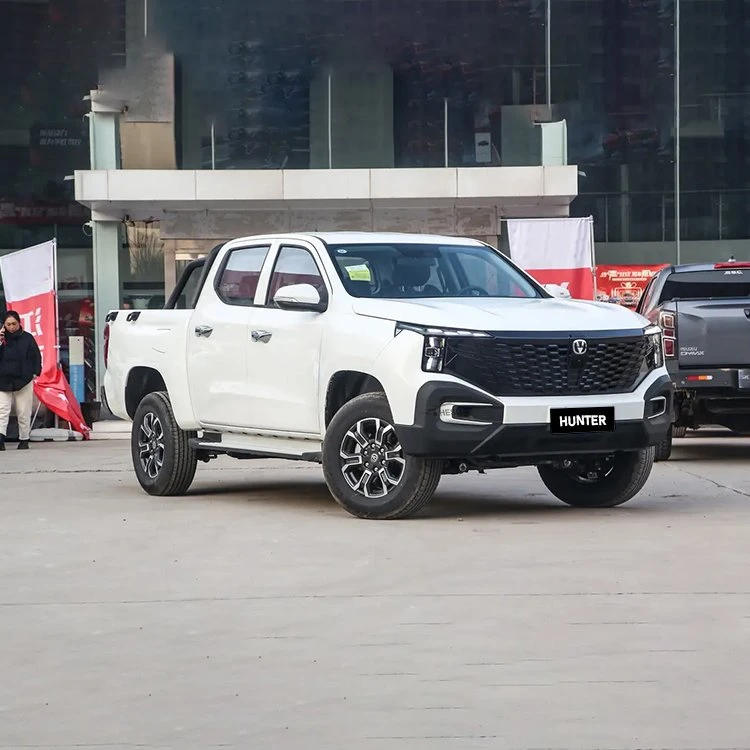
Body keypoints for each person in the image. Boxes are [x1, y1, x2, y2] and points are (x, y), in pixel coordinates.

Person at [0, 311, 42, 450]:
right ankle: (1, 438)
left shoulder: (27, 338)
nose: (11, 327)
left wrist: (36, 372)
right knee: (2, 410)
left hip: (23, 379)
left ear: (19, 323)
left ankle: (24, 438)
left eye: (14, 324)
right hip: (3, 380)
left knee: (23, 410)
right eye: (8, 324)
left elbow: (36, 355)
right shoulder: (1, 339)